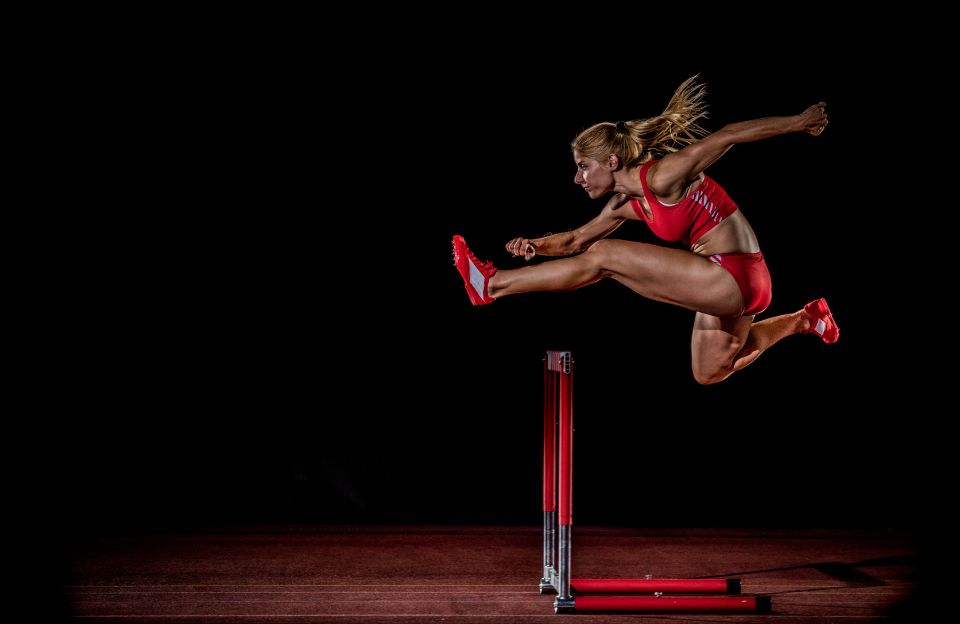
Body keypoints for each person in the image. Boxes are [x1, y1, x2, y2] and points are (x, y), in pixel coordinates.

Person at [452, 76, 838, 385]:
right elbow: (575, 240)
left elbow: (728, 135)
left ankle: (492, 285)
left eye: (584, 166)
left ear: (612, 161)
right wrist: (533, 246)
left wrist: (799, 122)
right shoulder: (625, 203)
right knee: (709, 371)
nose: (577, 177)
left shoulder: (664, 175)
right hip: (729, 284)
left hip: (734, 274)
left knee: (606, 257)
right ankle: (804, 319)